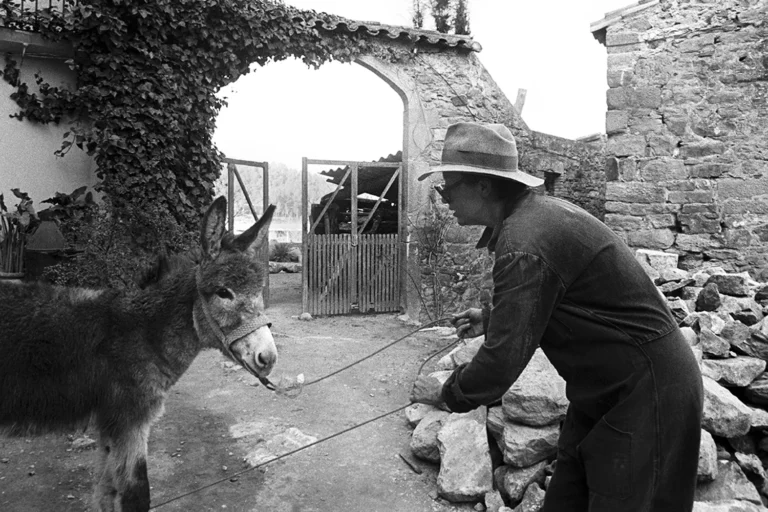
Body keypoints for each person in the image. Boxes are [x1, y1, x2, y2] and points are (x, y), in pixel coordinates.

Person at [410, 122, 703, 512]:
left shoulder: (524, 239)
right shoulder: (528, 222)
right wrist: (492, 318)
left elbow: (501, 362)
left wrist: (449, 394)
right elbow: (547, 302)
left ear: (482, 186)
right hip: (604, 389)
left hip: (647, 390)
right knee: (567, 499)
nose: (444, 198)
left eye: (448, 186)